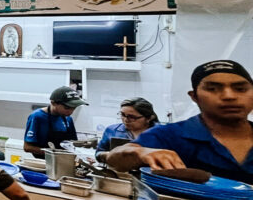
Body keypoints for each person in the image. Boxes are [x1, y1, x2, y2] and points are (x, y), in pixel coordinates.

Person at [107, 60, 253, 182]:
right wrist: (140, 153)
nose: (229, 96)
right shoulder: (170, 136)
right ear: (194, 97)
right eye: (213, 89)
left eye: (240, 89)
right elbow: (115, 158)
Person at [23, 86, 87, 158]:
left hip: (63, 161)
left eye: (74, 108)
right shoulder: (37, 117)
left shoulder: (68, 119)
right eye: (67, 108)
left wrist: (83, 152)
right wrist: (54, 153)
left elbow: (72, 144)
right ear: (53, 103)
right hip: (43, 163)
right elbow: (27, 147)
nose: (71, 112)